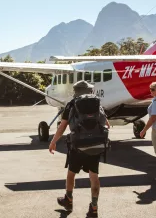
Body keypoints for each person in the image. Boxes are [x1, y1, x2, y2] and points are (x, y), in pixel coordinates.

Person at [49, 80, 110, 218]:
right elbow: (107, 124)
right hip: (95, 144)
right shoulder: (97, 103)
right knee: (94, 176)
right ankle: (94, 208)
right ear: (88, 90)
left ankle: (68, 200)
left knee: (71, 173)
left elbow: (62, 126)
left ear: (76, 91)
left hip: (77, 146)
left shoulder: (71, 105)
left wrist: (53, 141)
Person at [140, 82, 156, 179]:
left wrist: (144, 130)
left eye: (153, 89)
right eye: (150, 89)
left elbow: (153, 118)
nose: (151, 91)